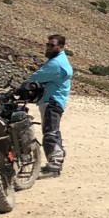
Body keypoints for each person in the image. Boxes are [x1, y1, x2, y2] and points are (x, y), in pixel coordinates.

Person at [27, 33, 73, 175]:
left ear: (61, 46)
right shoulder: (59, 60)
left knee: (50, 132)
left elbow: (36, 77)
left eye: (52, 45)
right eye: (48, 45)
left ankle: (54, 164)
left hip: (51, 101)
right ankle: (57, 158)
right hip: (54, 100)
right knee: (53, 130)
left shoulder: (56, 64)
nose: (48, 47)